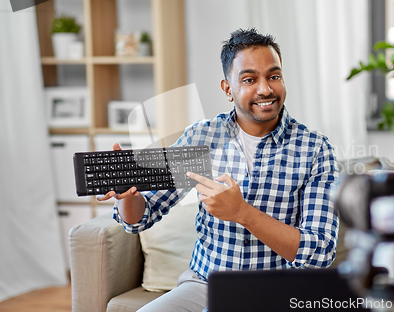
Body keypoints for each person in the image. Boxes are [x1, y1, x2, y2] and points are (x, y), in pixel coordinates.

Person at [98, 28, 339, 312]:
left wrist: (242, 213)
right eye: (249, 79)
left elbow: (320, 252)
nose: (265, 89)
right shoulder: (202, 137)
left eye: (274, 76)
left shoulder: (314, 149)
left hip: (278, 292)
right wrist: (128, 194)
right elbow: (142, 216)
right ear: (227, 89)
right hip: (205, 285)